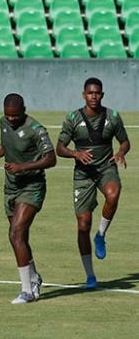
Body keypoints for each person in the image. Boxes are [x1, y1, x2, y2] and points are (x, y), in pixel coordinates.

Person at [0, 93, 56, 304]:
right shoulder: (3, 122)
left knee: (15, 233)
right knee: (20, 237)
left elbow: (51, 159)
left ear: (24, 110)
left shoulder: (36, 130)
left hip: (32, 186)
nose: (10, 119)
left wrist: (23, 167)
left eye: (15, 116)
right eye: (7, 116)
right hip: (11, 187)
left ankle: (27, 291)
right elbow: (5, 145)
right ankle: (35, 278)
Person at [56, 77, 130, 289]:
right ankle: (90, 276)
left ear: (102, 95)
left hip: (106, 168)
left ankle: (101, 235)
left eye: (97, 93)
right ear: (84, 95)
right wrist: (75, 153)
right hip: (83, 174)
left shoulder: (112, 117)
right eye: (90, 93)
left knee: (114, 194)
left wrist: (121, 152)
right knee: (82, 225)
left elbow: (125, 141)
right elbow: (59, 148)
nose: (94, 96)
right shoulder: (72, 118)